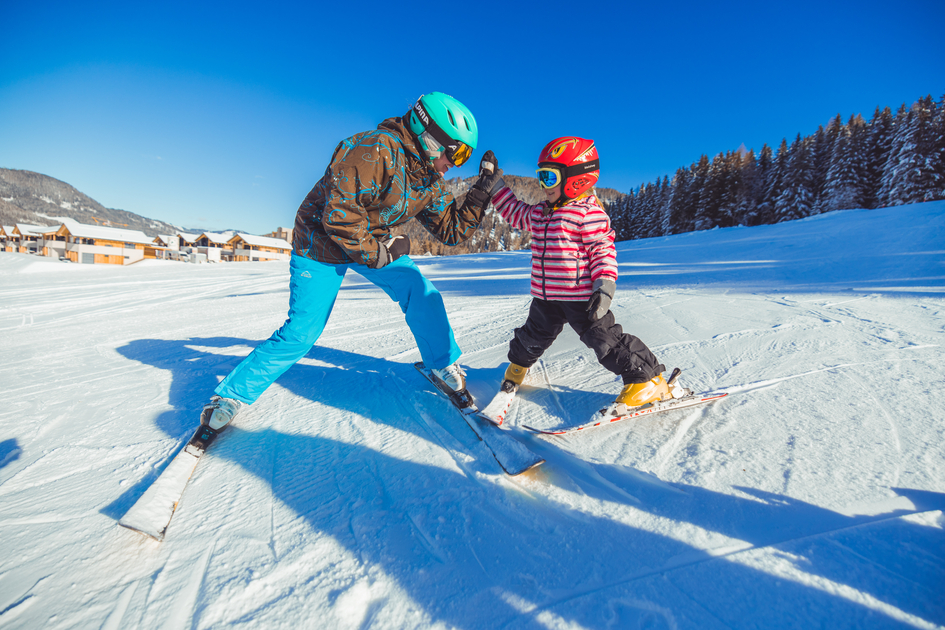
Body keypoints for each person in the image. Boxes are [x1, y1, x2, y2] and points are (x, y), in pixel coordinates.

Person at [199, 92, 503, 432]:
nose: (456, 163)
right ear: (429, 136)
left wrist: (480, 193)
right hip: (320, 246)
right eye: (456, 152)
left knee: (420, 290)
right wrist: (380, 252)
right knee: (301, 333)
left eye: (465, 157)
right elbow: (340, 217)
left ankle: (442, 364)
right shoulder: (373, 150)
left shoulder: (427, 179)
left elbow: (449, 230)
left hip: (368, 241)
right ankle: (231, 396)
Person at [479, 137, 687, 410]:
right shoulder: (542, 212)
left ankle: (646, 378)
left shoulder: (588, 213)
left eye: (549, 176)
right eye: (541, 176)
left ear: (576, 179)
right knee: (530, 337)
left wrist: (603, 288)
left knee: (605, 341)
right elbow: (515, 212)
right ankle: (519, 365)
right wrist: (495, 185)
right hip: (546, 298)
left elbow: (603, 250)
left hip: (581, 299)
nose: (543, 185)